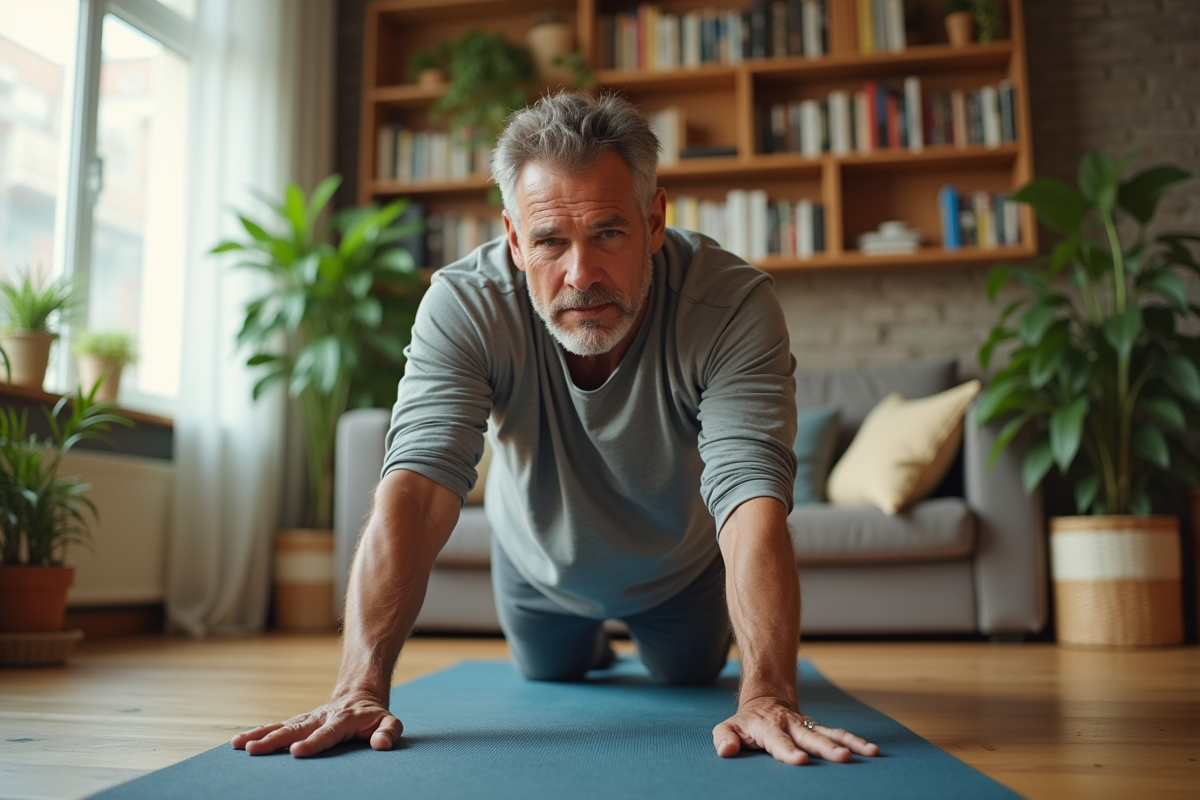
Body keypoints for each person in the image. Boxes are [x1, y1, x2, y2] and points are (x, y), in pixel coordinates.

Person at [233, 92, 879, 766]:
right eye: (549, 241)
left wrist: (768, 693)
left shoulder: (732, 304)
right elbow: (417, 489)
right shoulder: (465, 303)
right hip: (537, 568)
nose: (581, 275)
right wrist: (357, 690)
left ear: (654, 221)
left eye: (608, 233)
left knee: (685, 676)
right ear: (514, 240)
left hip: (680, 572)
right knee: (553, 671)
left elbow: (751, 496)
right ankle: (584, 640)